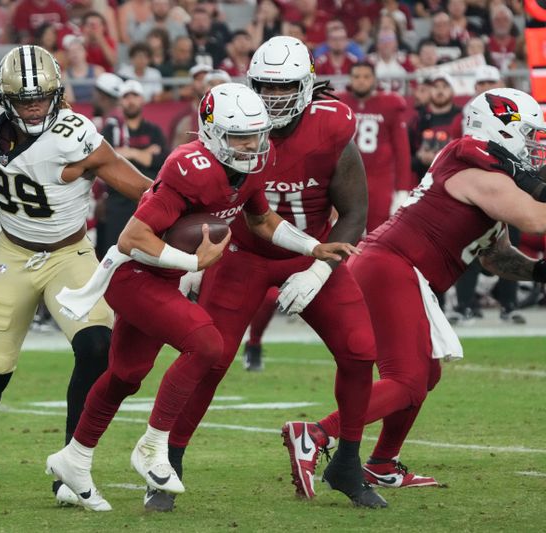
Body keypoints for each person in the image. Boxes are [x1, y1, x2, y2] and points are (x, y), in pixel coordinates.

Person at [47, 82, 358, 511]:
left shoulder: (251, 166)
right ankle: (154, 446)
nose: (253, 145)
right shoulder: (189, 167)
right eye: (241, 136)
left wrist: (312, 247)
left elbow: (263, 220)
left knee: (125, 376)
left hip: (161, 276)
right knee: (207, 344)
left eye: (258, 134)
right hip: (135, 274)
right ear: (212, 133)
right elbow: (132, 237)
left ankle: (74, 459)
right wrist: (193, 265)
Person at [147, 37, 388, 512]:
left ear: (307, 85)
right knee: (207, 362)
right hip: (239, 254)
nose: (274, 98)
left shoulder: (333, 126)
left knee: (361, 352)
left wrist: (320, 270)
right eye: (266, 87)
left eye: (285, 88)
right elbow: (192, 190)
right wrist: (192, 258)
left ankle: (346, 462)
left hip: (310, 252)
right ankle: (165, 466)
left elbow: (356, 211)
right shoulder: (236, 117)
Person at [283, 87, 546, 491]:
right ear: (501, 128)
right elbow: (536, 219)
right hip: (392, 265)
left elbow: (497, 257)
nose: (533, 148)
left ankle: (382, 463)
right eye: (528, 136)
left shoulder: (489, 178)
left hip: (396, 267)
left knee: (426, 374)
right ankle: (317, 433)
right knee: (406, 379)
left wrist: (540, 273)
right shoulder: (477, 171)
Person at [0, 45, 153, 505]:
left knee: (98, 345)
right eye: (24, 99)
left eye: (42, 96)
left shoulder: (76, 134)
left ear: (58, 92)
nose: (34, 105)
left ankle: (71, 465)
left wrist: (191, 204)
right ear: (4, 98)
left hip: (69, 253)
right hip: (12, 253)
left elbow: (139, 185)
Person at [338, 62, 413, 232]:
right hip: (346, 177)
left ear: (374, 79)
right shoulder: (340, 102)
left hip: (380, 179)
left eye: (366, 77)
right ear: (350, 79)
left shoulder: (390, 103)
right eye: (357, 77)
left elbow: (402, 151)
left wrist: (402, 189)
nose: (361, 81)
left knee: (377, 232)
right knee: (346, 232)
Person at [97, 79, 167, 252]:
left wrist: (127, 152)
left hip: (147, 201)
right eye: (126, 96)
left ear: (142, 99)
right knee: (113, 254)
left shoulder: (154, 130)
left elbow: (161, 161)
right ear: (120, 101)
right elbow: (102, 158)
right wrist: (144, 153)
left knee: (148, 255)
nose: (131, 100)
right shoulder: (111, 129)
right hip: (117, 200)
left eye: (134, 95)